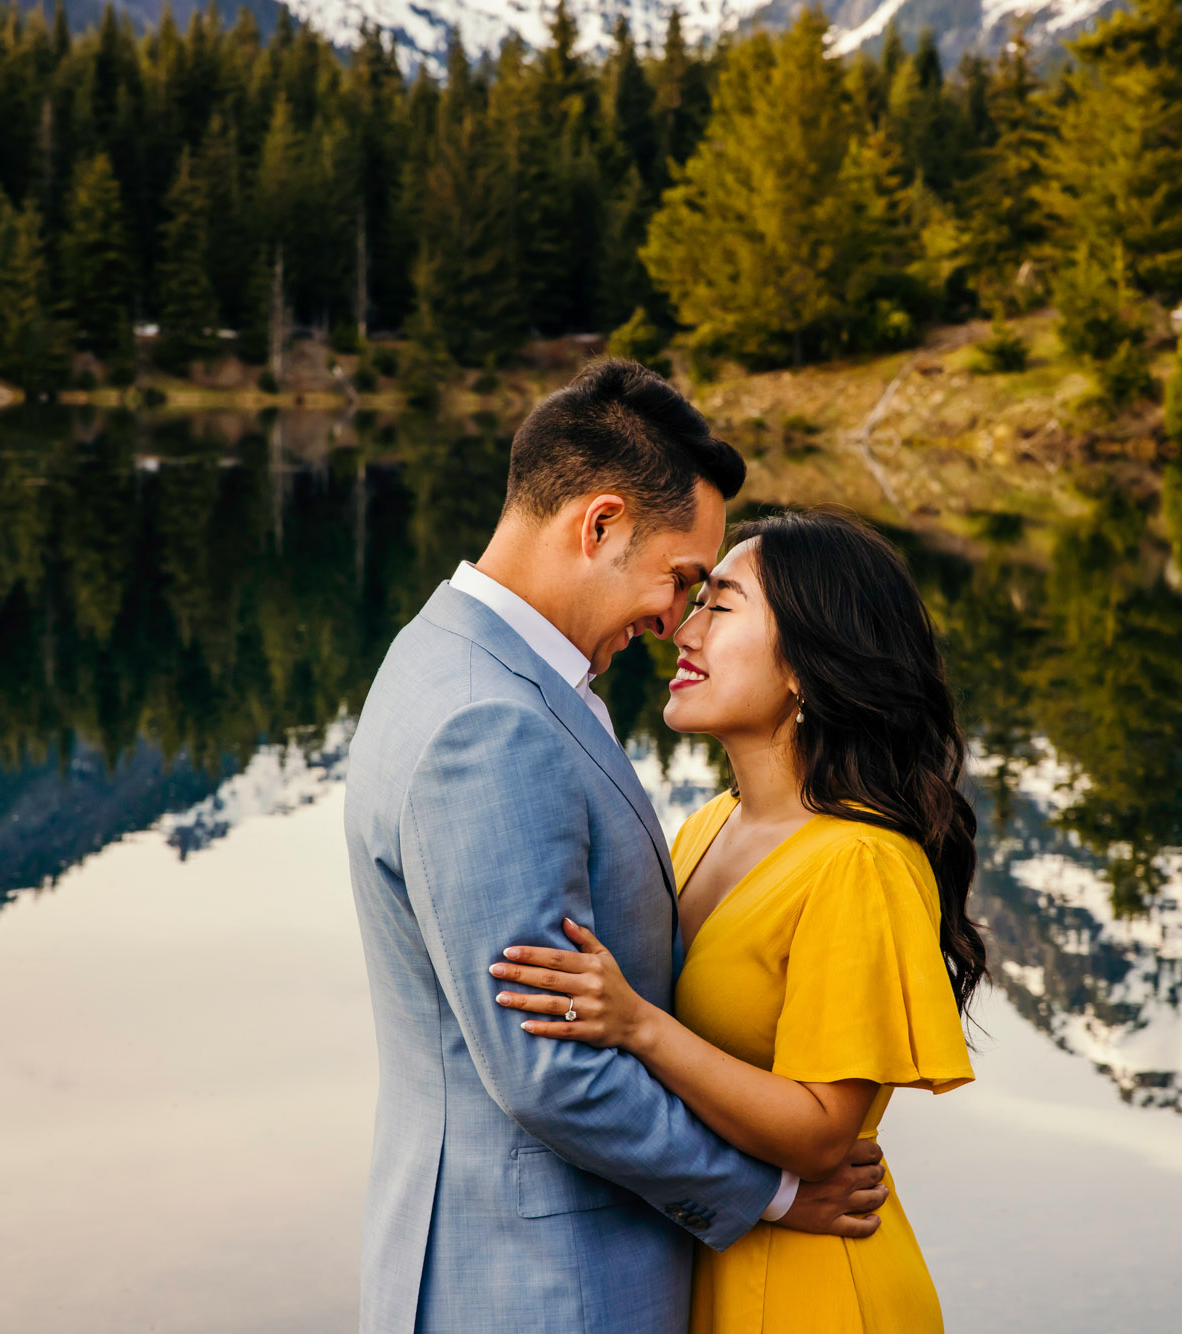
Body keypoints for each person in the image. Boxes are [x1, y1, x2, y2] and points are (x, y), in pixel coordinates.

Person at [344, 362, 890, 1334]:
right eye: (681, 580)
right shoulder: (492, 724)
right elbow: (549, 1069)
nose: (674, 619)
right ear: (596, 526)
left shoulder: (437, 655)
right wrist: (766, 1193)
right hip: (546, 1281)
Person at [490, 508, 984, 1333]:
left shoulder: (858, 860)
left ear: (809, 663)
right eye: (696, 603)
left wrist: (640, 1027)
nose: (683, 633)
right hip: (722, 1252)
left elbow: (825, 1133)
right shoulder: (704, 827)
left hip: (815, 1284)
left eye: (720, 607)